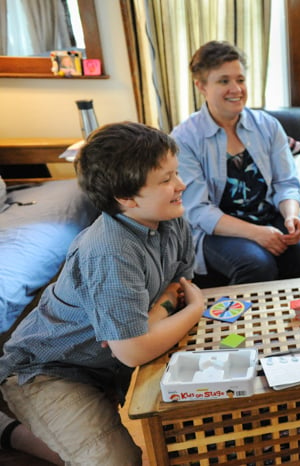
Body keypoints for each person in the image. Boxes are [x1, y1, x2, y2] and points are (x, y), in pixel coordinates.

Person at [0, 122, 205, 465]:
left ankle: (10, 432)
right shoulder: (111, 251)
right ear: (125, 197)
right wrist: (194, 309)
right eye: (166, 180)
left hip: (104, 365)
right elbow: (135, 348)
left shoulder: (172, 219)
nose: (180, 185)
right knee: (120, 461)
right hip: (51, 371)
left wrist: (152, 319)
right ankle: (12, 426)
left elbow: (178, 289)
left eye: (176, 173)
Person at [172, 40, 300, 285]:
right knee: (256, 264)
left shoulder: (267, 125)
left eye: (240, 80)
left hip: (269, 217)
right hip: (218, 231)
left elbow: (286, 183)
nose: (236, 89)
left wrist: (291, 217)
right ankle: (256, 324)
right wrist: (257, 234)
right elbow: (198, 210)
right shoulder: (184, 138)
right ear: (201, 86)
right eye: (224, 81)